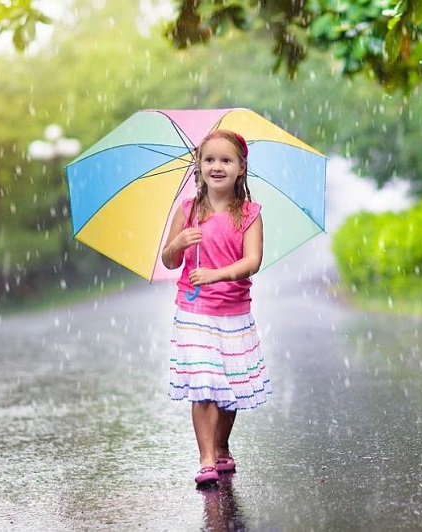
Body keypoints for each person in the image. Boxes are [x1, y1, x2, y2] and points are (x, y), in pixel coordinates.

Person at [161, 129, 271, 487]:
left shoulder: (249, 214)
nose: (217, 166)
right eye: (210, 160)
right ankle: (206, 457)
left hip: (234, 311)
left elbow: (252, 261)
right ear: (199, 166)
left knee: (231, 385)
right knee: (204, 383)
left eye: (226, 160)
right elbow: (168, 261)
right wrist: (178, 242)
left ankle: (221, 444)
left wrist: (216, 275)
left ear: (241, 168)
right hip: (194, 312)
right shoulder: (188, 211)